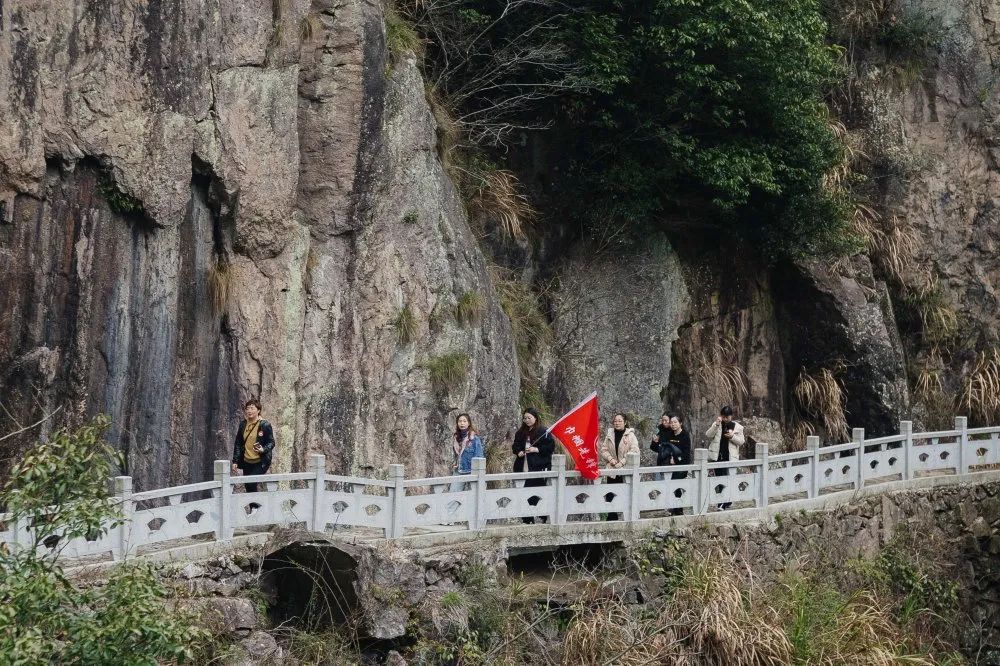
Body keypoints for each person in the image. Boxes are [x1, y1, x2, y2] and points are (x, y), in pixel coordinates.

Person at [512, 408, 554, 524]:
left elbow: (550, 448)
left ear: (535, 418)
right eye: (525, 418)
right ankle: (527, 518)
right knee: (523, 492)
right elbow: (515, 446)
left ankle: (541, 516)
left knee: (536, 491)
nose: (527, 420)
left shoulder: (543, 431)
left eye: (529, 418)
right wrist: (518, 451)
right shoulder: (520, 432)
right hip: (523, 465)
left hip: (538, 466)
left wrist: (536, 449)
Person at [599, 413, 639, 520]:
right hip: (612, 469)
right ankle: (612, 516)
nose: (617, 423)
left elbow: (634, 450)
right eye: (615, 421)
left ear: (625, 422)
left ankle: (627, 516)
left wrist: (621, 462)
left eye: (620, 421)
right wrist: (611, 459)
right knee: (610, 492)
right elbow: (603, 450)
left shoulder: (630, 435)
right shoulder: (609, 434)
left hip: (625, 469)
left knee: (624, 493)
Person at [231, 398, 275, 493]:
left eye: (252, 408)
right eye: (247, 408)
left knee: (251, 483)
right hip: (247, 461)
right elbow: (238, 443)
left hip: (261, 461)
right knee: (248, 487)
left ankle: (257, 506)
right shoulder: (243, 424)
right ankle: (254, 508)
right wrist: (235, 461)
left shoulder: (265, 425)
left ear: (258, 410)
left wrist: (263, 449)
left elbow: (271, 442)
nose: (249, 411)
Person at [705, 405, 744, 510]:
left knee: (728, 479)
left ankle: (724, 502)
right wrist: (716, 425)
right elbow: (708, 435)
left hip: (730, 458)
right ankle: (722, 501)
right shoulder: (717, 424)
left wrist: (732, 437)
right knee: (719, 479)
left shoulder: (737, 427)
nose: (725, 419)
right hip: (718, 457)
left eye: (727, 416)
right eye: (724, 416)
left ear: (731, 416)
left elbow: (741, 442)